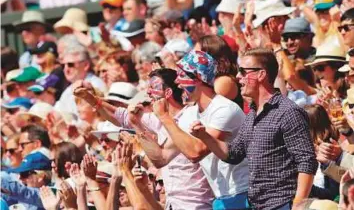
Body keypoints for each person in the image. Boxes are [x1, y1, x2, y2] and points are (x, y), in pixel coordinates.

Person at [74, 68, 215, 209]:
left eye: (153, 88)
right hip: (173, 203)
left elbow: (160, 159)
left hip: (197, 204)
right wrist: (93, 101)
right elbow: (121, 116)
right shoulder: (158, 118)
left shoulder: (189, 117)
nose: (148, 93)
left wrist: (137, 124)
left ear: (168, 93)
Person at [196, 48, 318, 209]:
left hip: (282, 204)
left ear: (261, 74)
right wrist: (205, 136)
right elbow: (233, 154)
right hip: (257, 205)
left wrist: (297, 205)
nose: (238, 77)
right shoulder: (253, 113)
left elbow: (307, 162)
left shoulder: (288, 112)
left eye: (243, 72)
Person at [152, 50, 249, 209]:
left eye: (181, 75)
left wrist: (165, 117)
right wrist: (137, 125)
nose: (177, 82)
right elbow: (162, 158)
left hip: (243, 192)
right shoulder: (190, 113)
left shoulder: (224, 109)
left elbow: (196, 152)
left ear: (197, 77)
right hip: (221, 198)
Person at [55, 38, 106, 116]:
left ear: (86, 65)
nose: (66, 69)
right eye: (63, 65)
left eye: (70, 64)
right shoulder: (66, 92)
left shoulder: (96, 85)